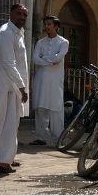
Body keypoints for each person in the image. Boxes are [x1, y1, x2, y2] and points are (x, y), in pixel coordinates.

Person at [0, 4, 29, 173]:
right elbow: (8, 63)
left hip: (11, 85)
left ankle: (7, 157)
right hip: (8, 86)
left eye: (25, 15)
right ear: (10, 14)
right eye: (19, 14)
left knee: (8, 124)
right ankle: (4, 162)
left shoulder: (18, 33)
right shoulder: (6, 33)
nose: (22, 17)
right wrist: (21, 87)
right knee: (7, 124)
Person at [30, 15, 69, 146]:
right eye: (45, 24)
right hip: (41, 79)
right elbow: (35, 59)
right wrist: (49, 61)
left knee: (55, 108)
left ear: (56, 27)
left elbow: (58, 58)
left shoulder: (63, 42)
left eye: (49, 24)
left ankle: (58, 138)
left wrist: (45, 59)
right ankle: (41, 137)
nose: (46, 27)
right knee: (40, 108)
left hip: (55, 80)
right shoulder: (40, 42)